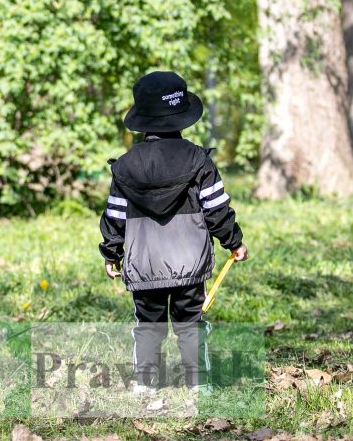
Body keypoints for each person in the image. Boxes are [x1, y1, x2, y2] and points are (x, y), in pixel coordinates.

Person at [99, 71, 249, 393]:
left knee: (149, 324)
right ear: (182, 118)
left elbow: (115, 215)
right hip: (190, 264)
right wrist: (233, 242)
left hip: (144, 265)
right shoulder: (198, 160)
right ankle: (198, 382)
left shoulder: (124, 167)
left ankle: (145, 383)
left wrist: (111, 253)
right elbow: (216, 208)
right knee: (190, 323)